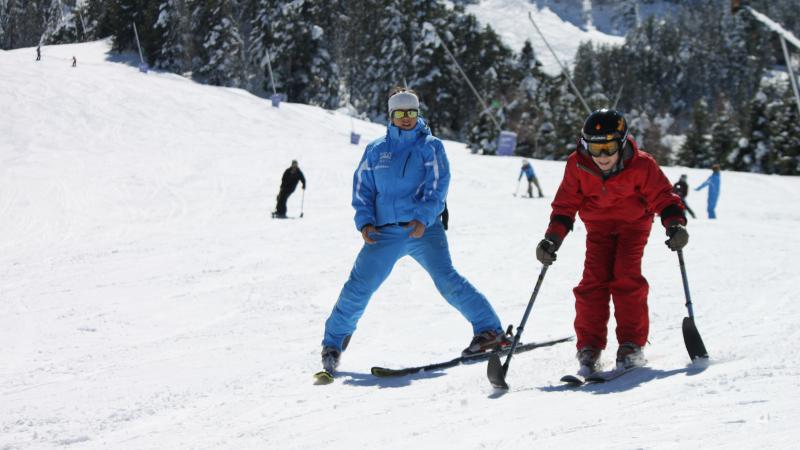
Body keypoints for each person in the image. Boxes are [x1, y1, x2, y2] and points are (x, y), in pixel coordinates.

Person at [319, 87, 508, 374]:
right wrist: (365, 221)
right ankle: (333, 342)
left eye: (411, 113)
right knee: (359, 286)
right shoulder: (376, 150)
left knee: (447, 279)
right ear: (391, 115)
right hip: (384, 233)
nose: (406, 119)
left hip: (424, 229)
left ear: (417, 114)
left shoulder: (430, 147)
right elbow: (363, 188)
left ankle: (489, 331)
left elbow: (438, 187)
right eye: (400, 114)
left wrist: (422, 219)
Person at [535, 109, 689, 376]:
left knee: (626, 277)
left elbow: (664, 197)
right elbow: (565, 205)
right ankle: (589, 346)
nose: (602, 156)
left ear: (621, 143)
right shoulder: (578, 165)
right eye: (595, 147)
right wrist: (552, 239)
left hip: (633, 226)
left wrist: (674, 223)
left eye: (608, 147)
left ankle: (631, 344)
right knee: (592, 282)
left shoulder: (642, 165)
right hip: (598, 228)